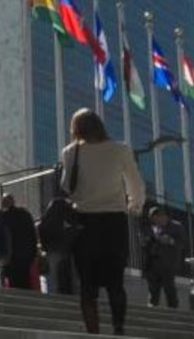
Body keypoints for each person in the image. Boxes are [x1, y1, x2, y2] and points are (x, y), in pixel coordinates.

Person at [60, 108, 145, 336]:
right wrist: (135, 206)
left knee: (87, 286)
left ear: (76, 129)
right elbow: (135, 183)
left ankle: (93, 333)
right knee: (115, 283)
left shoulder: (71, 152)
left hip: (84, 224)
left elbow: (67, 187)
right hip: (114, 222)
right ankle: (118, 329)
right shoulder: (120, 149)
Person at [141, 206, 186, 309]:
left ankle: (173, 309)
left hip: (168, 263)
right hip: (152, 263)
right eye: (153, 220)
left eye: (157, 219)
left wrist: (171, 241)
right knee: (153, 288)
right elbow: (146, 243)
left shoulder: (176, 226)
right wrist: (145, 243)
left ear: (163, 216)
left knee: (169, 288)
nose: (156, 222)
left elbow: (183, 243)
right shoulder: (150, 228)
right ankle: (152, 307)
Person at [0, 194, 38, 290]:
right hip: (26, 257)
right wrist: (33, 253)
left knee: (13, 285)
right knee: (25, 282)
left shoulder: (4, 217)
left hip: (11, 258)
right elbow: (33, 235)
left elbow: (2, 239)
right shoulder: (26, 215)